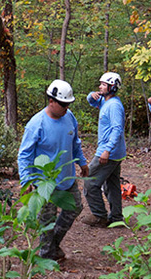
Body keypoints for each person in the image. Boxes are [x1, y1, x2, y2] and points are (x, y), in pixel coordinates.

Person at [18, 79, 89, 260]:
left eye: (68, 104)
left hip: (67, 177)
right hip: (45, 182)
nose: (66, 108)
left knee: (75, 208)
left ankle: (53, 244)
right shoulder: (37, 124)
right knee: (47, 219)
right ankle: (47, 255)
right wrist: (26, 180)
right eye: (63, 104)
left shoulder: (69, 117)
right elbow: (24, 154)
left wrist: (82, 162)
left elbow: (75, 142)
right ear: (51, 101)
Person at [82, 72, 126, 228]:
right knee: (112, 185)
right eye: (100, 84)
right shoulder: (105, 101)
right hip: (115, 152)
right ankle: (116, 218)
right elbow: (92, 101)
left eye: (103, 85)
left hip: (109, 152)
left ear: (112, 87)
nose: (100, 87)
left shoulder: (114, 106)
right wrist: (91, 95)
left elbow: (117, 129)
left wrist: (107, 150)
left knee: (89, 183)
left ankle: (100, 216)